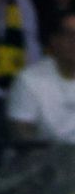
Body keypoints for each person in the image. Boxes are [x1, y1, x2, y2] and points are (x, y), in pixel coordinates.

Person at [8, 11, 75, 144]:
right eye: (69, 35)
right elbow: (21, 131)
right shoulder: (28, 80)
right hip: (44, 159)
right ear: (54, 40)